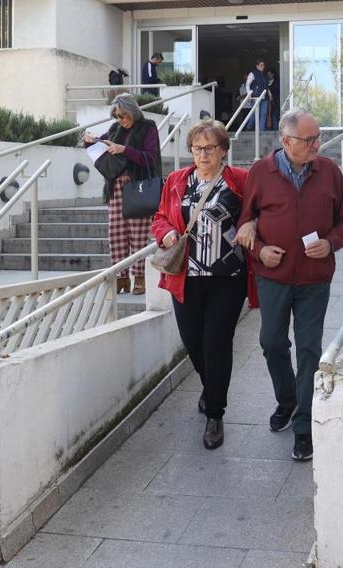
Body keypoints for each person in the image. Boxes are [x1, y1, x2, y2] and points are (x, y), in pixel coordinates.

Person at [236, 109, 343, 462]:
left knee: (308, 350)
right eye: (310, 140)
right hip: (272, 277)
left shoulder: (329, 172)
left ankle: (304, 425)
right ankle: (287, 401)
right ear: (287, 143)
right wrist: (259, 250)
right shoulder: (261, 172)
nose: (317, 144)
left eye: (318, 137)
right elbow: (246, 221)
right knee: (271, 342)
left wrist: (331, 242)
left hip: (315, 279)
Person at [152, 120, 258, 450]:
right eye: (197, 148)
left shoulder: (240, 180)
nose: (203, 154)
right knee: (193, 341)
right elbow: (159, 217)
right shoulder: (176, 181)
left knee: (217, 343)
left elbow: (260, 210)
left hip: (228, 279)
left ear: (224, 150)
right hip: (186, 276)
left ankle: (215, 413)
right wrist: (166, 232)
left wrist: (252, 222)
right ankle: (209, 384)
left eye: (210, 148)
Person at [81, 93, 160, 295]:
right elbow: (103, 143)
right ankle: (121, 278)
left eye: (123, 115)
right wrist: (90, 141)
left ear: (132, 111)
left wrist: (124, 150)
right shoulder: (115, 129)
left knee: (138, 236)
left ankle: (139, 278)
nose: (120, 120)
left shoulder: (147, 127)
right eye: (116, 116)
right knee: (116, 235)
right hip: (115, 187)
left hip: (138, 188)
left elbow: (151, 158)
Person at [242, 58, 271, 131]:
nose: (263, 67)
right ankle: (249, 127)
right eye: (261, 65)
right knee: (254, 113)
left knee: (263, 114)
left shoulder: (265, 75)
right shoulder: (252, 73)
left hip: (265, 97)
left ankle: (261, 130)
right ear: (257, 66)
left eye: (263, 65)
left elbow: (267, 87)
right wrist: (249, 94)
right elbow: (248, 84)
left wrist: (270, 94)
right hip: (256, 97)